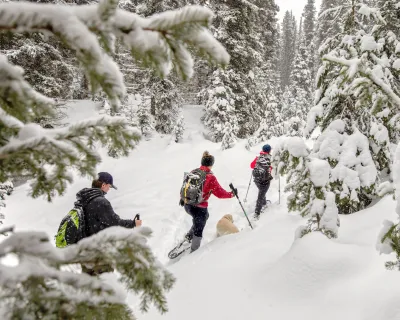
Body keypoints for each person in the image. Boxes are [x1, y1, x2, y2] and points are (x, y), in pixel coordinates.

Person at [76, 172, 142, 276]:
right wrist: (133, 223)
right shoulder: (100, 202)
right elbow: (115, 222)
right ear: (103, 185)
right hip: (99, 251)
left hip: (85, 250)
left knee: (88, 284)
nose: (109, 189)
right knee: (105, 283)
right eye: (109, 186)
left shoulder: (84, 199)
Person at [181, 151, 235, 253]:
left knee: (204, 217)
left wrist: (182, 198)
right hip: (199, 208)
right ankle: (194, 252)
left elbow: (185, 186)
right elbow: (220, 193)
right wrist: (231, 194)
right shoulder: (210, 177)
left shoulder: (193, 171)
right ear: (211, 164)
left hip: (187, 205)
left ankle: (189, 235)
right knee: (199, 228)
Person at [250, 144, 272, 219]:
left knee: (262, 192)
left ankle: (264, 203)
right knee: (261, 195)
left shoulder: (258, 157)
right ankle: (257, 213)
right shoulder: (270, 158)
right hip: (265, 181)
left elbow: (251, 166)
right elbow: (272, 168)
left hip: (257, 180)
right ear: (269, 150)